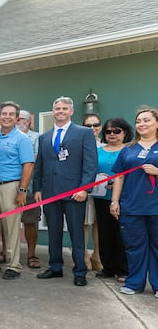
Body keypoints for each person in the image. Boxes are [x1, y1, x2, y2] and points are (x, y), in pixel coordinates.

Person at [34, 96, 98, 287]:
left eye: (64, 108)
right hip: (50, 191)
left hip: (74, 193)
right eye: (57, 109)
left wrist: (85, 189)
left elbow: (90, 164)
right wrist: (37, 188)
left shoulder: (84, 133)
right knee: (54, 231)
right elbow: (40, 165)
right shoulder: (44, 137)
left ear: (71, 112)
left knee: (76, 233)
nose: (60, 111)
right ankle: (55, 267)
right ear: (53, 112)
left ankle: (80, 271)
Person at [0, 102, 34, 280]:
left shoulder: (22, 139)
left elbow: (28, 165)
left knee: (11, 228)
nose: (7, 117)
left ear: (17, 118)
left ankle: (13, 265)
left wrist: (22, 190)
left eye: (11, 114)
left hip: (11, 187)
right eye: (4, 113)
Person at [110, 107, 158, 297]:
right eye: (138, 121)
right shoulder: (128, 150)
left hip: (155, 207)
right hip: (132, 206)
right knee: (134, 247)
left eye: (146, 120)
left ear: (156, 123)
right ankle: (135, 283)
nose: (142, 124)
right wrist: (114, 202)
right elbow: (119, 178)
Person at [93, 118, 132, 283]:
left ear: (125, 133)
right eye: (108, 131)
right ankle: (107, 267)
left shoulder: (130, 150)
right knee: (105, 233)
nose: (112, 135)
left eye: (117, 131)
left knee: (121, 234)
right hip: (102, 198)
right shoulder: (98, 151)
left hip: (125, 198)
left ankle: (123, 269)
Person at [17, 110, 42, 269]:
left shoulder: (36, 137)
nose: (20, 121)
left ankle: (31, 254)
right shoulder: (7, 136)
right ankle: (6, 252)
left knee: (30, 221)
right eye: (17, 119)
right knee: (8, 222)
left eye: (23, 119)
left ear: (29, 122)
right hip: (8, 184)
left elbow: (35, 159)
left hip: (30, 187)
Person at [82, 114, 103, 272]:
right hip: (85, 189)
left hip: (102, 191)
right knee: (84, 222)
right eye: (88, 125)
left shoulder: (105, 146)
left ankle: (97, 255)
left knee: (98, 223)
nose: (92, 128)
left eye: (95, 125)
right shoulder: (80, 144)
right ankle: (84, 255)